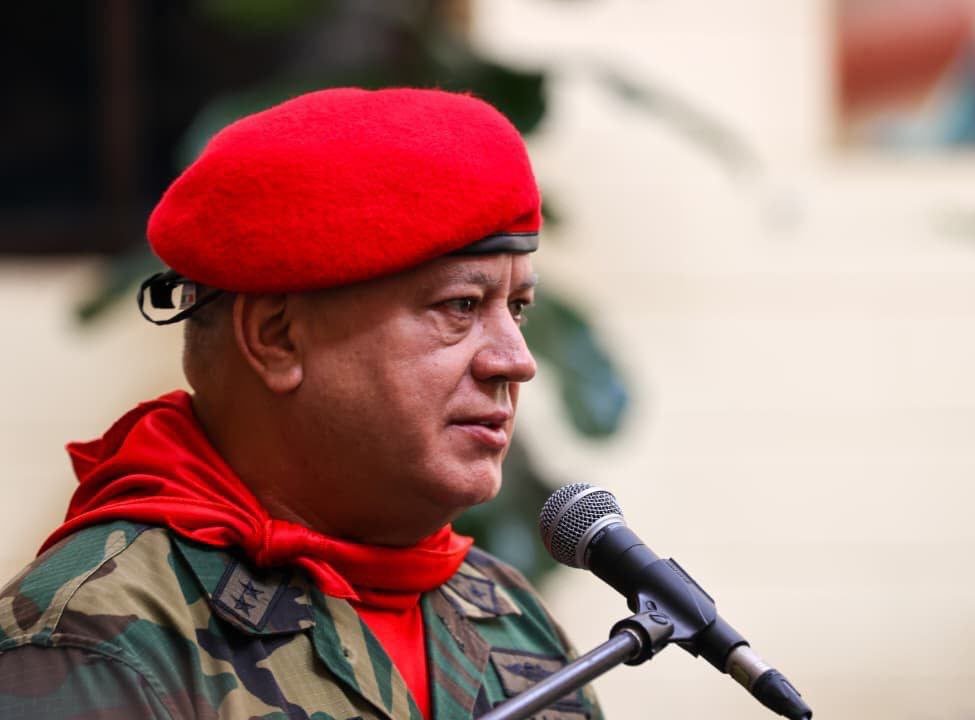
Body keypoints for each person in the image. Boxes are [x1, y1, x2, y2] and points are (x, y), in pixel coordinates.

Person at [0, 87, 602, 720]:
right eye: (460, 306)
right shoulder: (99, 645)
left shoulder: (510, 619)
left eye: (517, 308)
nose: (516, 360)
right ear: (277, 338)